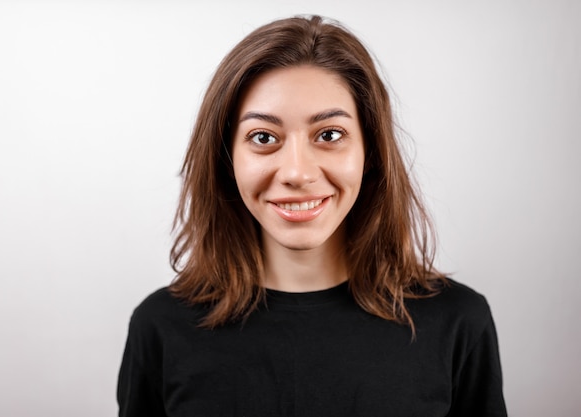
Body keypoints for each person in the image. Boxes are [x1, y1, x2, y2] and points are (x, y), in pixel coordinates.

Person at [117, 15, 507, 416]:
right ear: (226, 157)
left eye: (329, 135)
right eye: (264, 138)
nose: (297, 173)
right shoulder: (160, 327)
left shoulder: (458, 322)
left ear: (370, 151)